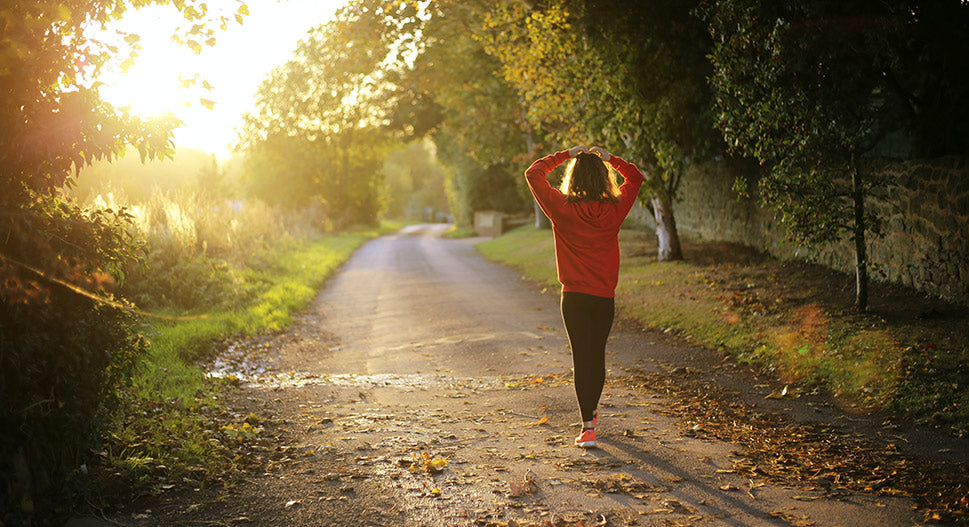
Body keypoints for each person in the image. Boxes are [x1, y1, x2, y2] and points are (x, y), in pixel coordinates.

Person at [524, 145, 644, 448]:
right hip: (604, 297)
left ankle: (587, 427)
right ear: (604, 178)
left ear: (573, 178)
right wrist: (611, 159)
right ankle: (591, 414)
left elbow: (533, 173)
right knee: (597, 355)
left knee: (582, 357)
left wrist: (565, 154)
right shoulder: (615, 209)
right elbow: (636, 177)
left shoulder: (561, 208)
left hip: (574, 297)